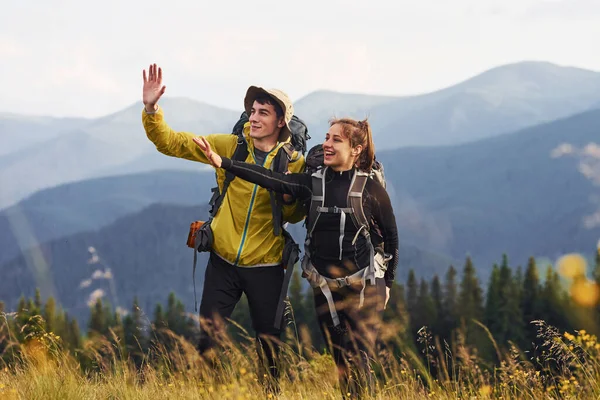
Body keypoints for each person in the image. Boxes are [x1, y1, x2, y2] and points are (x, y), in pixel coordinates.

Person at [194, 117, 399, 399]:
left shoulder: (371, 189)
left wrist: (387, 284)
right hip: (325, 286)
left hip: (366, 284)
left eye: (336, 139)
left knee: (358, 357)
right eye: (326, 137)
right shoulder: (312, 183)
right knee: (341, 358)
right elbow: (270, 178)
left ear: (356, 150)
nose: (326, 144)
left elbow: (392, 238)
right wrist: (225, 163)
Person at [141, 64, 306, 392]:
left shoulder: (294, 164)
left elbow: (297, 213)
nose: (254, 117)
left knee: (270, 347)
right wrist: (151, 109)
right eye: (252, 111)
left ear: (281, 122)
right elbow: (171, 143)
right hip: (223, 262)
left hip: (268, 266)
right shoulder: (231, 146)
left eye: (264, 112)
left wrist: (288, 196)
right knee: (208, 342)